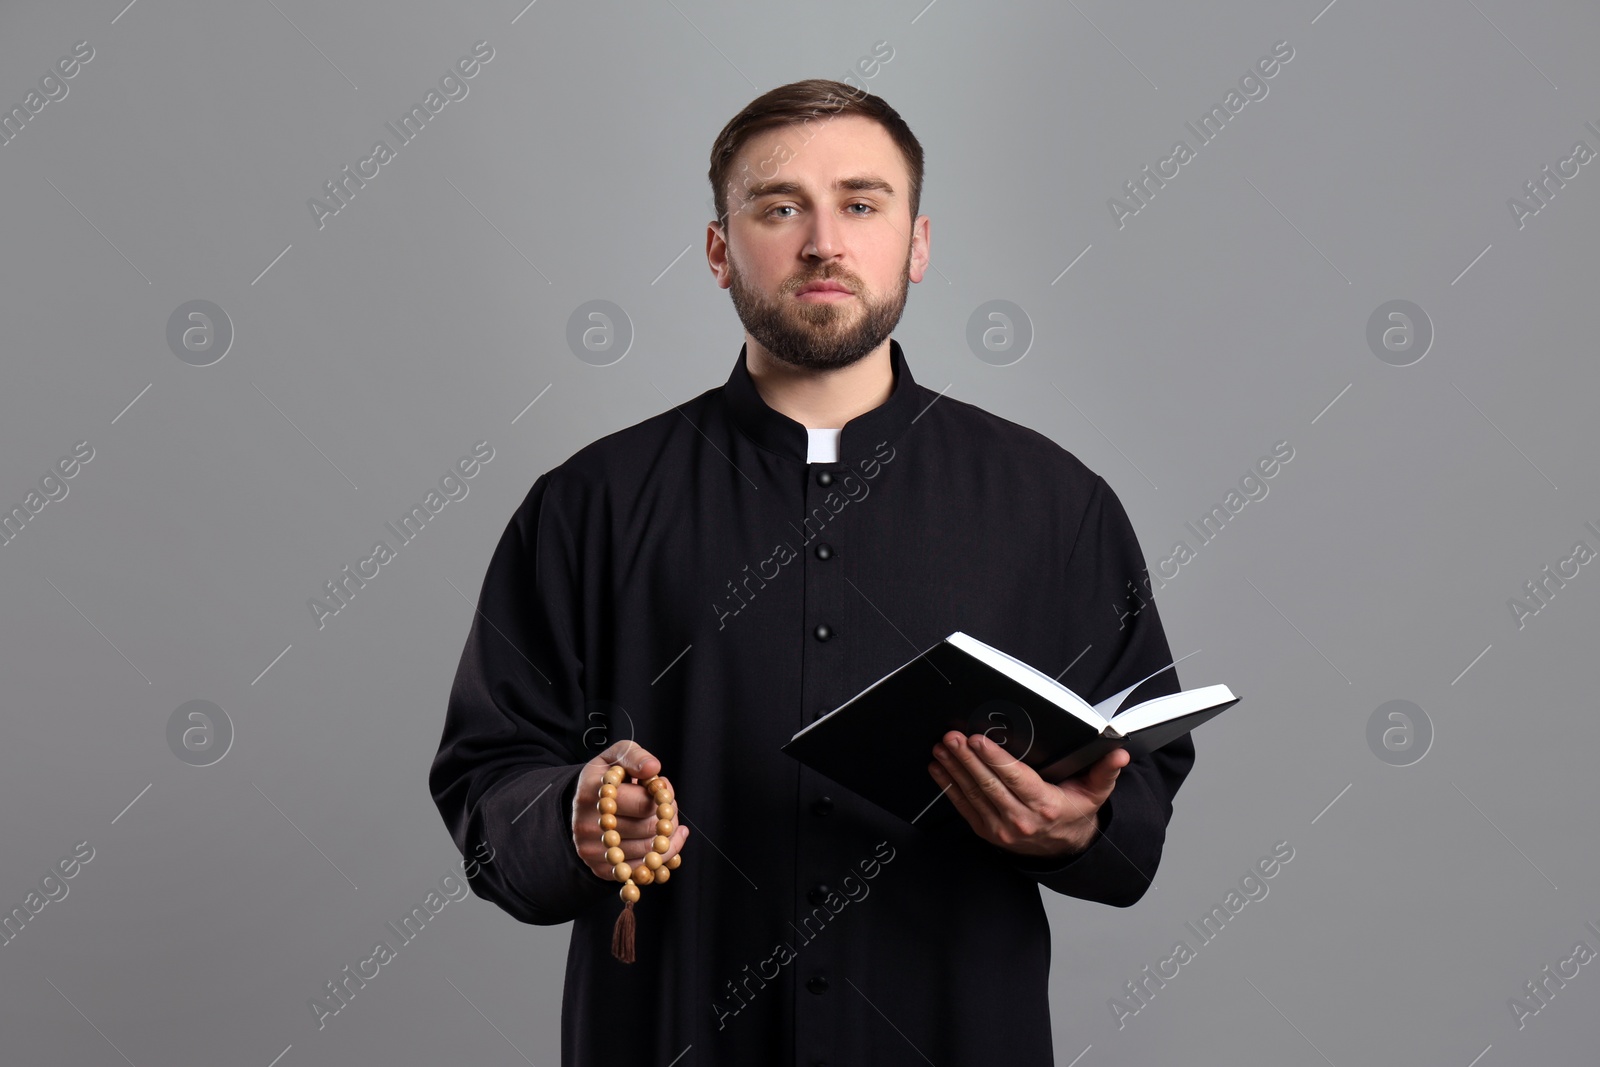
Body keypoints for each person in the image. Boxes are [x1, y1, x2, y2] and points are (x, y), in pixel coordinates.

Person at [430, 78, 1196, 1067]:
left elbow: (1138, 784)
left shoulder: (1053, 502)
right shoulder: (590, 502)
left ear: (916, 242)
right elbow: (488, 774)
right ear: (719, 249)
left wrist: (1072, 827)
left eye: (861, 204)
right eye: (779, 205)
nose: (823, 241)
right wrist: (574, 815)